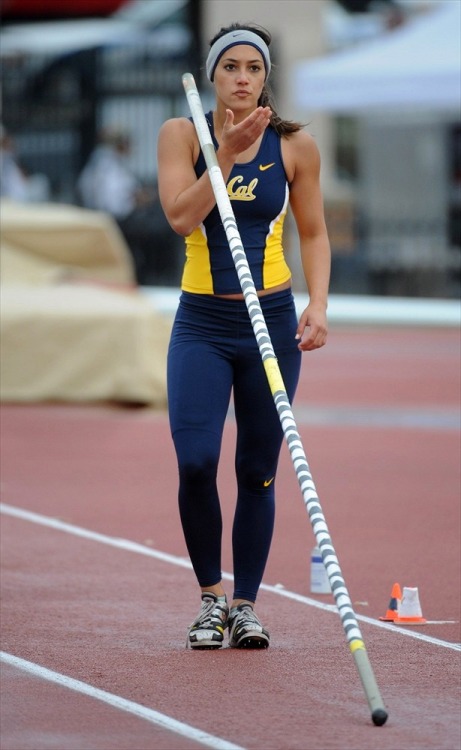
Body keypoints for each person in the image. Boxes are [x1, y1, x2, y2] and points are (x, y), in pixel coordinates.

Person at [157, 22, 330, 650]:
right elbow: (180, 217)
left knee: (258, 469)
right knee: (196, 460)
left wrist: (319, 303)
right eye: (230, 67)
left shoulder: (295, 145)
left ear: (265, 77)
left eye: (253, 69)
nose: (242, 78)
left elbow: (312, 231)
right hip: (203, 323)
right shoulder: (183, 135)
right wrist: (224, 153)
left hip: (272, 323)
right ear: (212, 75)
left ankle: (245, 604)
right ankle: (208, 599)